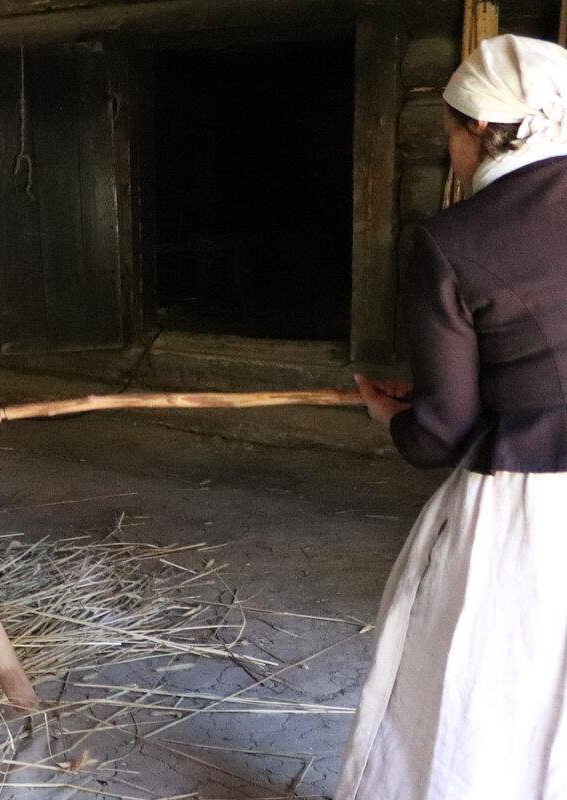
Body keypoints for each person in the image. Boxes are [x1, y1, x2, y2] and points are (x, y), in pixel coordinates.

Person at [342, 34, 567, 798]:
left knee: (489, 683)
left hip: (536, 503)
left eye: (448, 130)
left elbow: (442, 430)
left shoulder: (452, 239)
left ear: (475, 128)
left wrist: (393, 417)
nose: (448, 148)